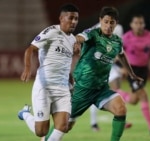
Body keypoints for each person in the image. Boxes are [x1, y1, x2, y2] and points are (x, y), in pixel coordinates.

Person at [43, 6, 142, 141]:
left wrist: (131, 74)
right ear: (100, 20)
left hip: (101, 89)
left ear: (116, 23)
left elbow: (122, 55)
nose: (108, 25)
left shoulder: (117, 41)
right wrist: (76, 42)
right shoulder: (93, 33)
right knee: (64, 126)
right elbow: (80, 37)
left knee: (121, 109)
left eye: (112, 22)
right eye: (106, 21)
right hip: (82, 89)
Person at [17, 4, 79, 141]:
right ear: (61, 18)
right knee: (41, 131)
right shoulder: (51, 32)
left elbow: (65, 65)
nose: (74, 22)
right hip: (44, 87)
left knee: (63, 126)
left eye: (76, 19)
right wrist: (27, 68)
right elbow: (30, 49)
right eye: (71, 18)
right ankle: (25, 113)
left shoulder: (73, 40)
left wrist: (72, 83)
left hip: (62, 89)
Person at [119, 14, 150, 136]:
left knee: (133, 100)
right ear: (131, 25)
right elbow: (118, 53)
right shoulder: (126, 37)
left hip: (144, 70)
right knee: (143, 95)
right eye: (136, 23)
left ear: (144, 24)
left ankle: (116, 93)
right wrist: (122, 67)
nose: (139, 26)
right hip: (132, 71)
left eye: (141, 23)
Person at [88, 23, 132, 131]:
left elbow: (117, 47)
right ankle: (93, 123)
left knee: (116, 89)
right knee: (96, 93)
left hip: (109, 64)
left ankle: (120, 117)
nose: (110, 23)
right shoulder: (95, 29)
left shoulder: (118, 28)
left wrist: (121, 65)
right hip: (96, 65)